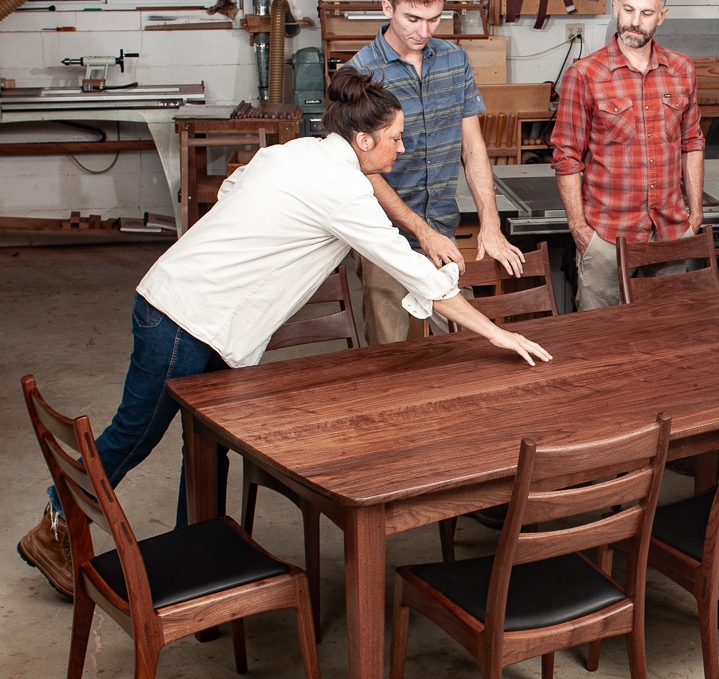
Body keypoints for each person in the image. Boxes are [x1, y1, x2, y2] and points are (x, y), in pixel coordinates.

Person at [17, 68, 552, 599]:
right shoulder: (342, 190)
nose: (402, 147)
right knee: (136, 435)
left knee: (206, 448)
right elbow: (419, 279)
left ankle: (192, 553)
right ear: (364, 140)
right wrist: (496, 334)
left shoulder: (299, 152)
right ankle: (55, 526)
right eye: (395, 138)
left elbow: (232, 186)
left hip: (202, 316)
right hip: (184, 315)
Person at [348, 0, 524, 344]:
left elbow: (473, 148)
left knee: (468, 342)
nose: (423, 31)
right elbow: (364, 170)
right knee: (389, 350)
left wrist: (490, 225)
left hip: (444, 228)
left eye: (433, 19)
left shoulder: (453, 61)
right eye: (412, 19)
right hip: (383, 236)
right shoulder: (361, 73)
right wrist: (421, 233)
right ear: (387, 7)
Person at [551, 0, 706, 311]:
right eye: (629, 10)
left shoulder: (683, 70)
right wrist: (579, 229)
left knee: (671, 334)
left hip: (670, 234)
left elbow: (692, 142)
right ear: (616, 7)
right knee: (601, 344)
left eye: (647, 13)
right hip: (607, 237)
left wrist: (694, 215)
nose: (635, 22)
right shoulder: (584, 76)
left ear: (662, 16)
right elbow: (567, 159)